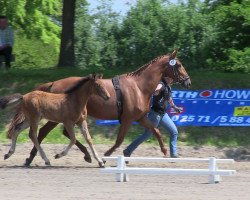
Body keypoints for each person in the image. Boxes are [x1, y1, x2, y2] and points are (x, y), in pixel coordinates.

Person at [123, 77, 182, 158]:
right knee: (147, 135)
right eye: (170, 78)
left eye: (172, 79)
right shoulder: (161, 84)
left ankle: (173, 154)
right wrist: (156, 91)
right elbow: (156, 91)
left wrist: (174, 107)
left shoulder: (168, 86)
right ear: (165, 77)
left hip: (163, 115)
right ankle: (127, 151)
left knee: (174, 131)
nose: (172, 79)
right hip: (155, 115)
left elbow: (169, 98)